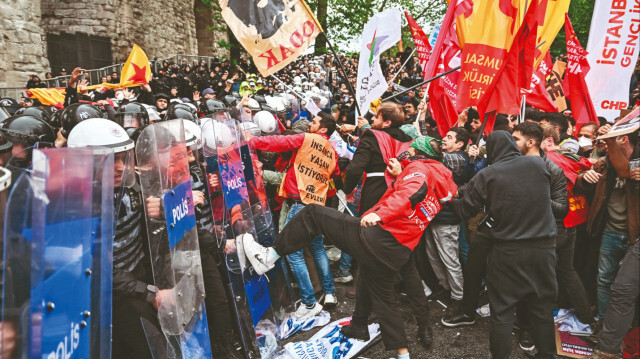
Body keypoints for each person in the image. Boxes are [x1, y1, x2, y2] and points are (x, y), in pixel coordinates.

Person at [242, 136, 457, 359]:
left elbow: (412, 191)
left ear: (420, 155)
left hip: (378, 237)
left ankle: (269, 256)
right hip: (397, 249)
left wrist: (380, 213)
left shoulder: (420, 169)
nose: (406, 154)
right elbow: (419, 193)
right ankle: (390, 346)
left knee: (313, 213)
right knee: (384, 299)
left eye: (410, 152)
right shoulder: (440, 179)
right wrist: (400, 175)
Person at [452, 130, 558, 359]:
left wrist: (452, 197)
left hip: (509, 250)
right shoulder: (538, 165)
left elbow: (465, 210)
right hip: (544, 249)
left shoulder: (488, 174)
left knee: (502, 311)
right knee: (541, 308)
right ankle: (547, 354)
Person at [68, 118, 165, 359]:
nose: (122, 167)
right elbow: (93, 263)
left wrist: (161, 213)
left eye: (124, 158)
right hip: (109, 296)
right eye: (111, 160)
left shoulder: (132, 188)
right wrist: (148, 292)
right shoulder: (73, 206)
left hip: (137, 281)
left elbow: (147, 237)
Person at [249, 111, 340, 318]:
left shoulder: (308, 139)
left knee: (292, 251)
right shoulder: (332, 151)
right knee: (317, 248)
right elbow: (334, 175)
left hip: (301, 203)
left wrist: (252, 141)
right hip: (319, 204)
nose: (310, 124)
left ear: (323, 129)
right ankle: (329, 293)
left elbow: (279, 142)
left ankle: (309, 303)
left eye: (314, 122)